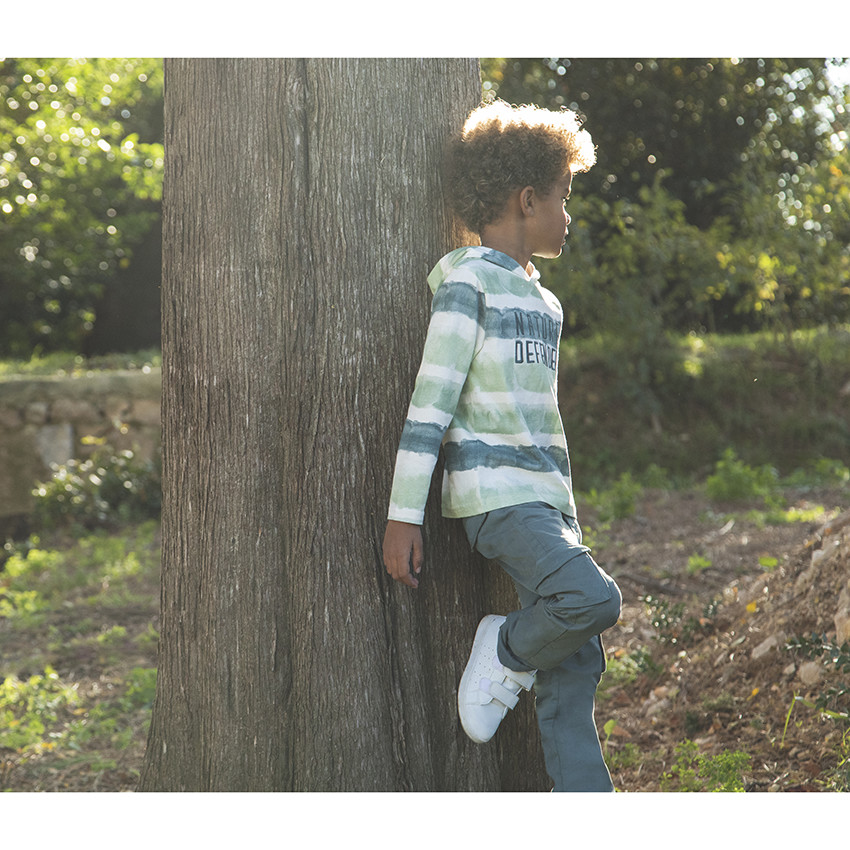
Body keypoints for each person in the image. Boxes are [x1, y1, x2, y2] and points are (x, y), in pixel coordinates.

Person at [382, 100, 622, 792]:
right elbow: (432, 403)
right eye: (563, 198)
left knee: (578, 665)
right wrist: (405, 515)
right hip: (498, 499)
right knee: (590, 600)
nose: (568, 216)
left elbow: (540, 419)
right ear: (526, 199)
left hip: (545, 500)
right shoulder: (465, 283)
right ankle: (507, 648)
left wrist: (566, 509)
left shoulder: (544, 304)